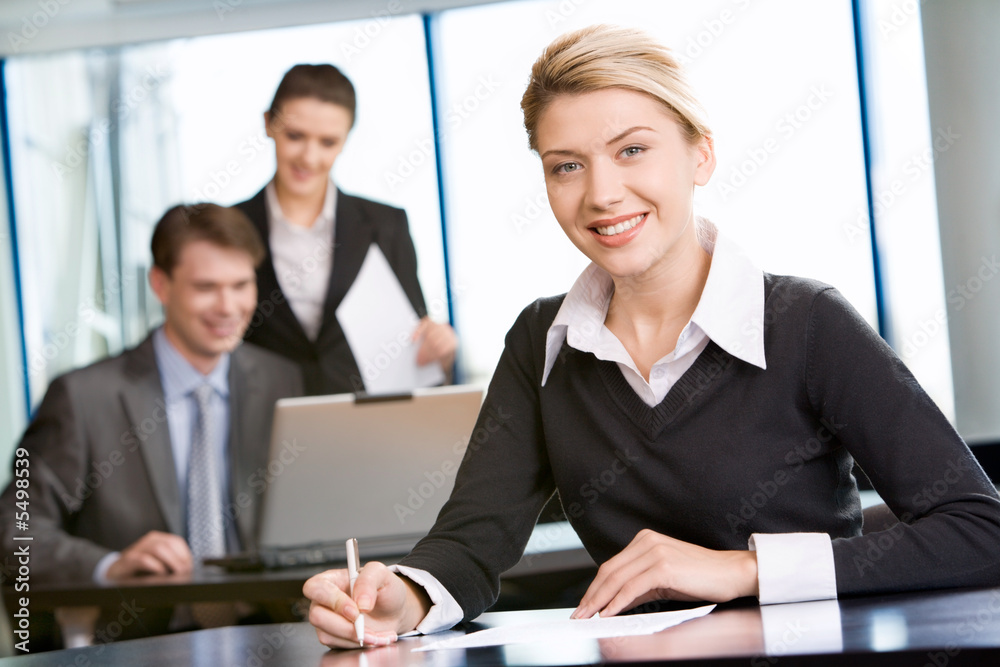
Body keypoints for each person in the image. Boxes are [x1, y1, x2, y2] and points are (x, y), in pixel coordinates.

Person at [302, 25, 1000, 649]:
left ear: (700, 156)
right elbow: (470, 541)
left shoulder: (805, 321)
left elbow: (979, 527)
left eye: (632, 150)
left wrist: (741, 570)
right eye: (566, 165)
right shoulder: (541, 341)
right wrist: (404, 596)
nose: (602, 193)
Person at [0, 203, 303, 646]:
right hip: (141, 642)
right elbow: (14, 529)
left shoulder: (280, 380)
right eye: (206, 287)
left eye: (241, 285)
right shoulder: (84, 397)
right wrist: (110, 565)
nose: (228, 306)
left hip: (269, 633)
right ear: (160, 284)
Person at [236, 64, 457, 396]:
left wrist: (441, 350)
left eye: (327, 142)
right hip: (260, 423)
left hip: (363, 425)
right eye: (295, 136)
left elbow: (413, 343)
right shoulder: (231, 229)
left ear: (345, 140)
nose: (309, 157)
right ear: (269, 123)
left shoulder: (386, 226)